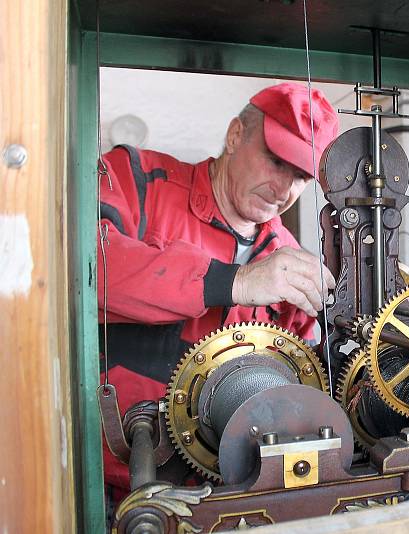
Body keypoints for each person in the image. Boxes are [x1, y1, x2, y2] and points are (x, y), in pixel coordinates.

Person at [97, 82, 338, 491]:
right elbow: (90, 270)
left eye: (300, 177)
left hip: (224, 495)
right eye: (276, 162)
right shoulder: (136, 180)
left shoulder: (289, 263)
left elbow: (301, 381)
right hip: (104, 486)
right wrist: (236, 282)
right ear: (234, 136)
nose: (284, 191)